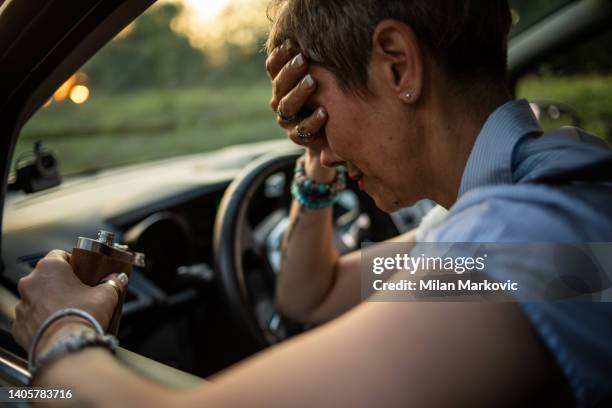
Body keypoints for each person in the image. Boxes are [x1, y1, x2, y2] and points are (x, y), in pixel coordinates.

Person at [11, 0, 612, 406]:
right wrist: (318, 167)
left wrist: (61, 334)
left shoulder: (523, 240)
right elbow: (313, 293)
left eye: (315, 109)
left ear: (397, 64)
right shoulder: (538, 200)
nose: (309, 130)